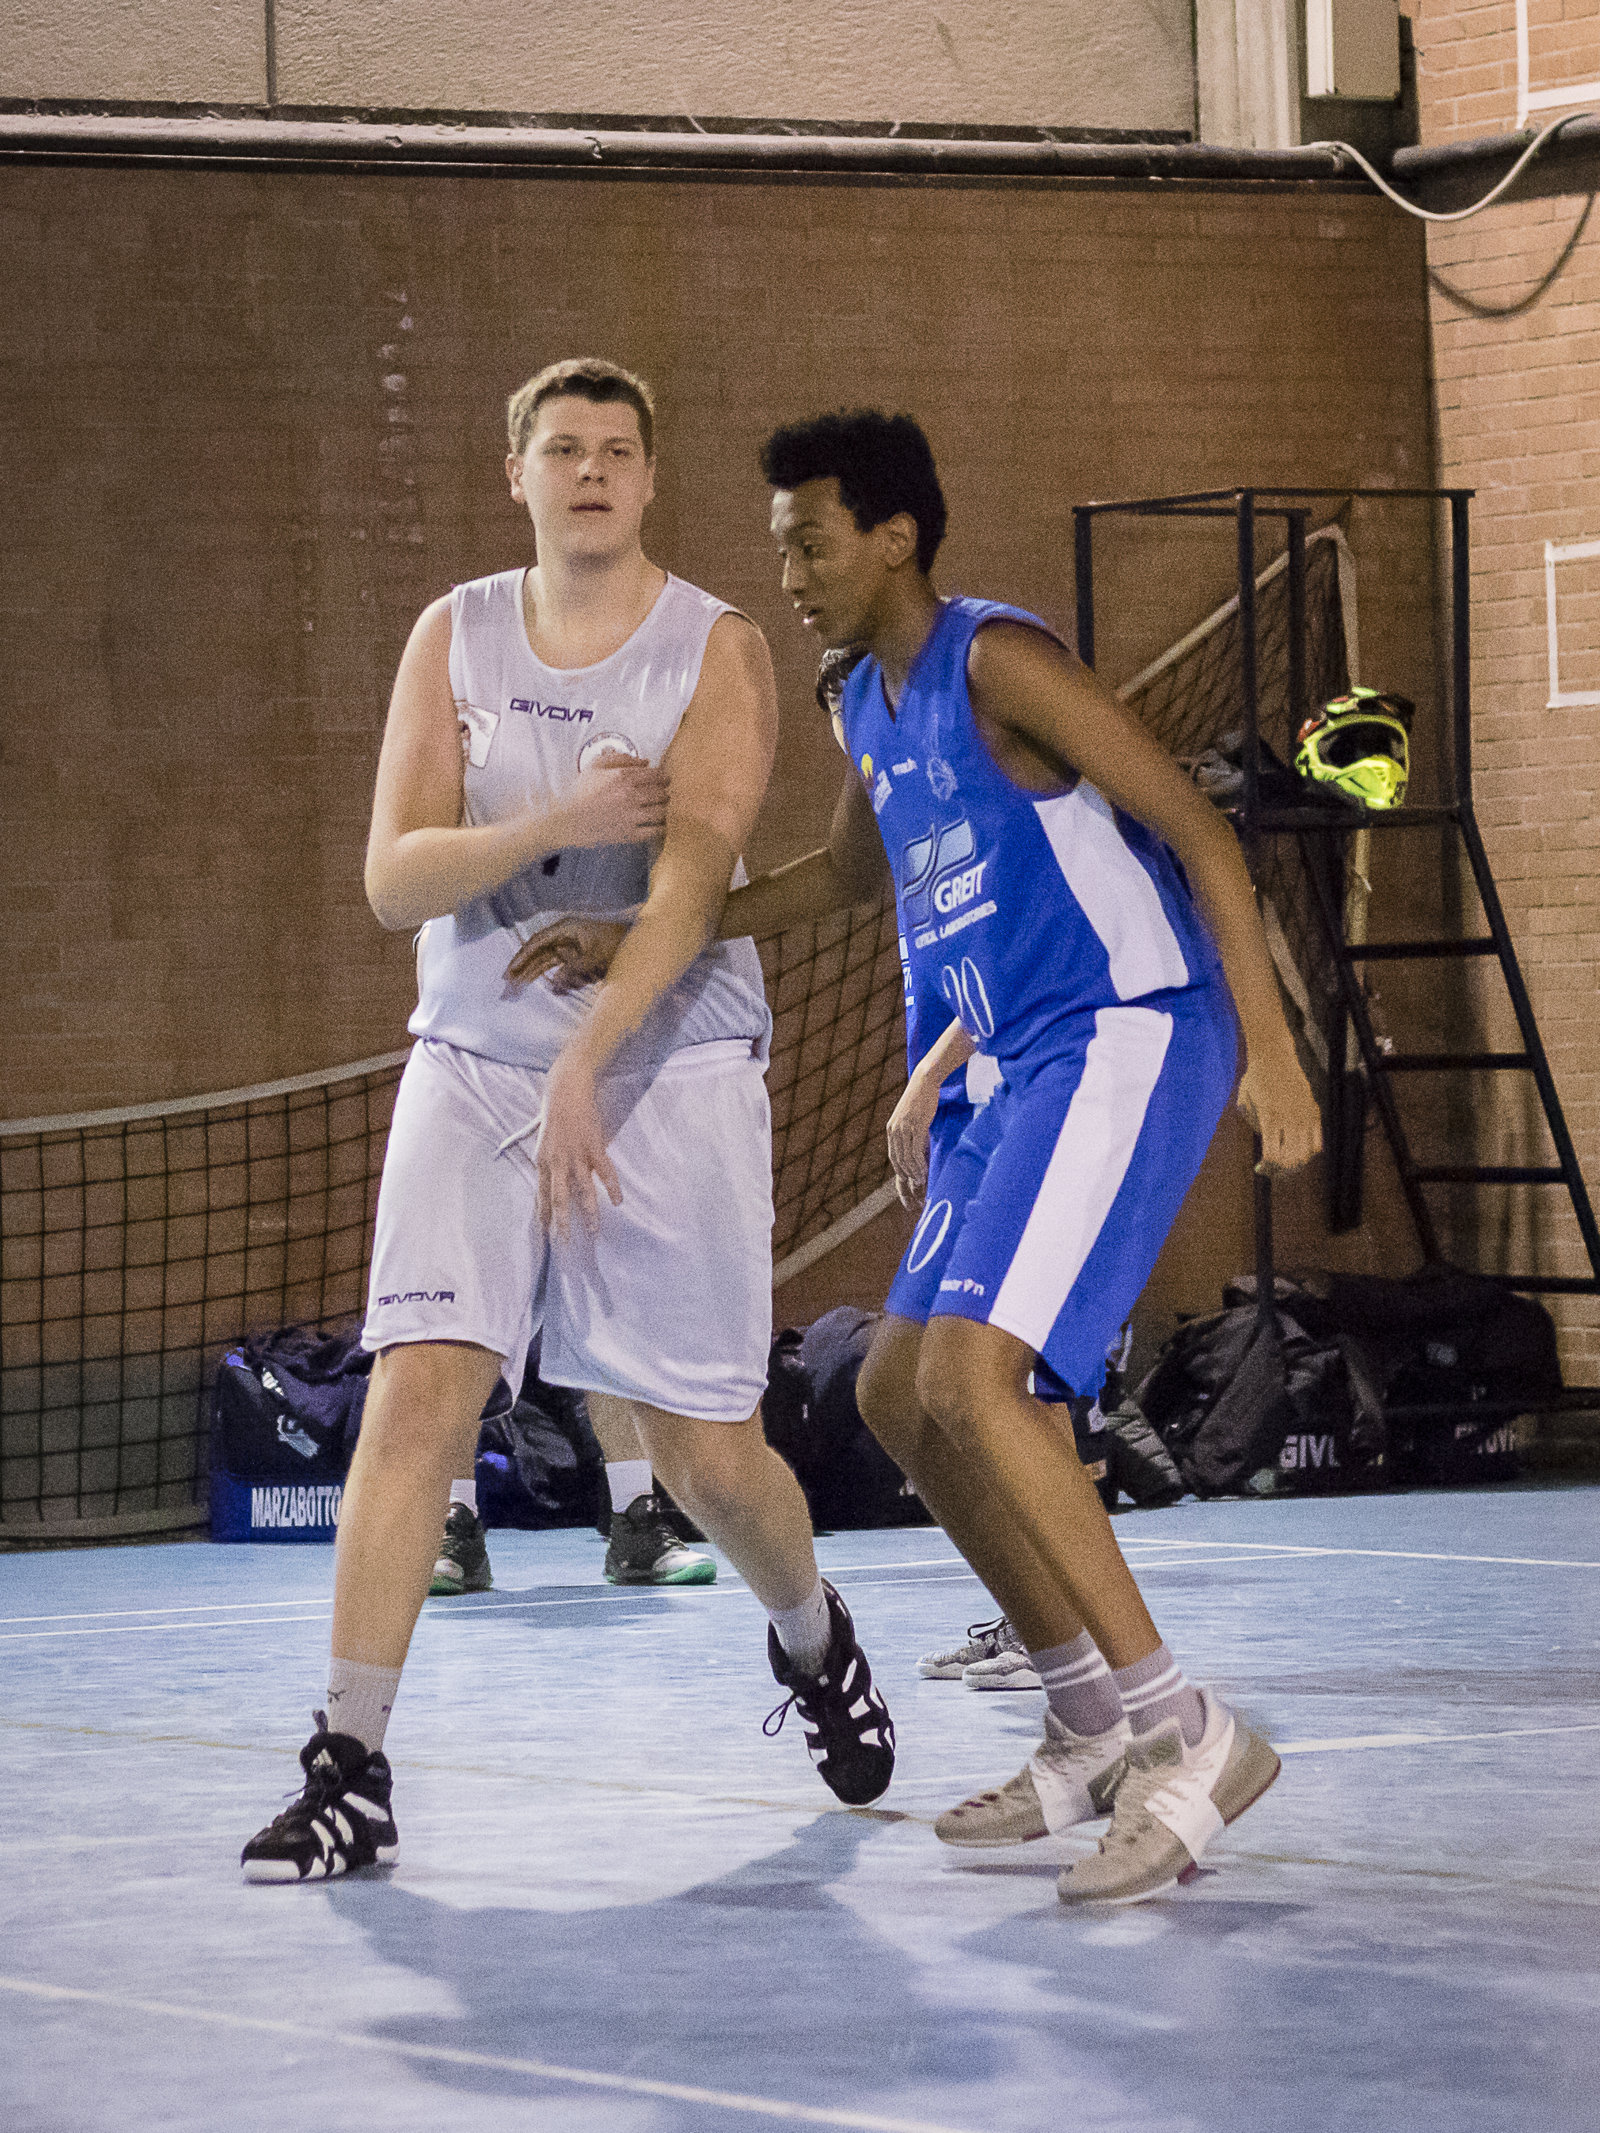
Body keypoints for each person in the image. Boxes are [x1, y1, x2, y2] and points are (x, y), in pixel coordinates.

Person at [526, 407, 1320, 1904]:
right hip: (1010, 1066)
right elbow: (844, 877)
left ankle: (1187, 1729)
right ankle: (1084, 1714)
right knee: (899, 1390)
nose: (790, 576)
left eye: (811, 545)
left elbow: (1200, 833)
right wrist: (646, 935)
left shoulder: (997, 661)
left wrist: (1272, 1054)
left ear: (895, 537)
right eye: (780, 551)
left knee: (978, 1381)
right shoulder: (864, 704)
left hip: (1126, 1029)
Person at [239, 361, 893, 1884]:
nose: (589, 470)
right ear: (516, 475)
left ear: (650, 479)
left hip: (667, 1066)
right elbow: (393, 878)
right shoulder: (454, 632)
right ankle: (349, 1764)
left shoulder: (716, 649)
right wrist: (558, 825)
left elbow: (694, 886)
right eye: (562, 449)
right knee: (418, 1395)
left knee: (707, 1453)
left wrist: (593, 1059)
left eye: (616, 449)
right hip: (475, 1057)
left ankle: (814, 1639)